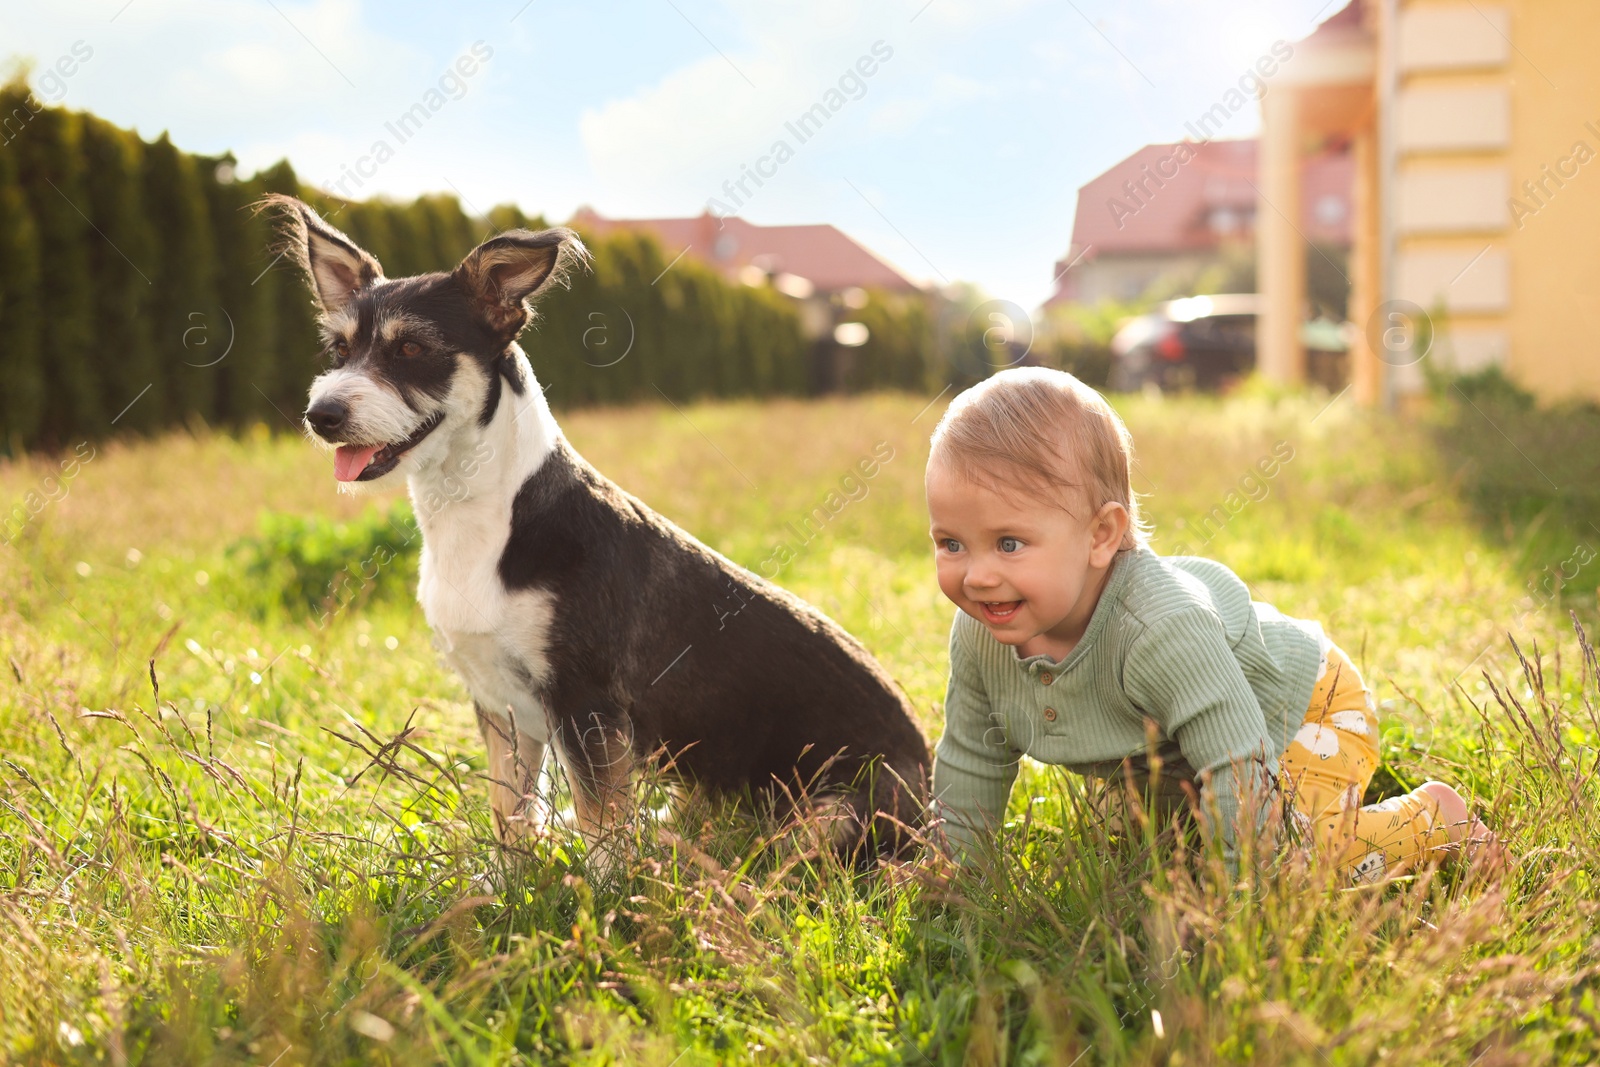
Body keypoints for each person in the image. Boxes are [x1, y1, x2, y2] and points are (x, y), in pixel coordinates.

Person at [926, 367, 1499, 881]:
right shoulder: (982, 631)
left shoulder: (1159, 628)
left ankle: (1433, 820)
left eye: (1008, 543)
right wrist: (957, 873)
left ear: (1101, 535)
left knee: (1290, 864)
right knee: (1142, 854)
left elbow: (1236, 761)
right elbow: (974, 753)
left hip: (1298, 710)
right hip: (1171, 756)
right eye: (951, 543)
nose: (976, 576)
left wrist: (1241, 886)